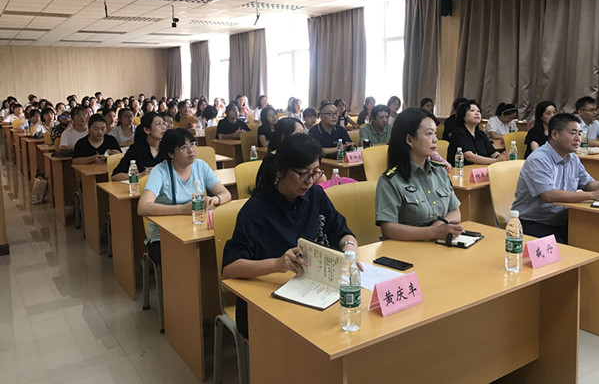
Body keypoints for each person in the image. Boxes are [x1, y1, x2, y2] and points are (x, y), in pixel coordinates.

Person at [222, 133, 360, 337]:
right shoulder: (255, 211)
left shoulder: (316, 195)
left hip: (312, 294)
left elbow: (343, 233)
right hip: (264, 303)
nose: (310, 181)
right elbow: (230, 268)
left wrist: (350, 252)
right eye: (303, 174)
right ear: (280, 171)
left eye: (316, 172)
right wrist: (277, 264)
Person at [512, 113, 599, 244]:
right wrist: (592, 195)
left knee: (596, 238)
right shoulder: (539, 159)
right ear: (555, 134)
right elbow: (549, 195)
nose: (578, 138)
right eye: (573, 133)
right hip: (534, 221)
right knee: (566, 250)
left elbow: (587, 183)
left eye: (580, 134)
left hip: (563, 219)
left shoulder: (572, 158)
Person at [138, 129, 232, 265]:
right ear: (171, 154)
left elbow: (226, 194)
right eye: (184, 147)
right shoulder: (160, 171)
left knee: (222, 249)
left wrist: (214, 199)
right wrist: (182, 209)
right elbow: (142, 207)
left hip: (198, 229)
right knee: (186, 258)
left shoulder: (200, 166)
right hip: (164, 236)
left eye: (193, 144)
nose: (191, 150)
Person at [375, 108, 463, 242]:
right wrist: (433, 232)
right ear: (409, 139)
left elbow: (455, 212)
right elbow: (388, 228)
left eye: (435, 133)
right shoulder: (390, 180)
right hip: (407, 248)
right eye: (429, 134)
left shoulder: (440, 172)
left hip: (438, 244)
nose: (435, 140)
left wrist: (438, 227)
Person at [447, 100, 509, 165]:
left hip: (479, 168)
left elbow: (492, 152)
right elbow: (470, 157)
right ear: (463, 116)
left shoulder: (480, 134)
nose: (477, 113)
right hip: (461, 169)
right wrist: (496, 161)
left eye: (478, 111)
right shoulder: (457, 133)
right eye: (472, 111)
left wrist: (500, 157)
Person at [112, 112, 167, 181]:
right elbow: (115, 176)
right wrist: (140, 175)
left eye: (164, 123)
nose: (163, 128)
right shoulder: (136, 149)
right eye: (158, 124)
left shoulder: (168, 148)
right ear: (147, 130)